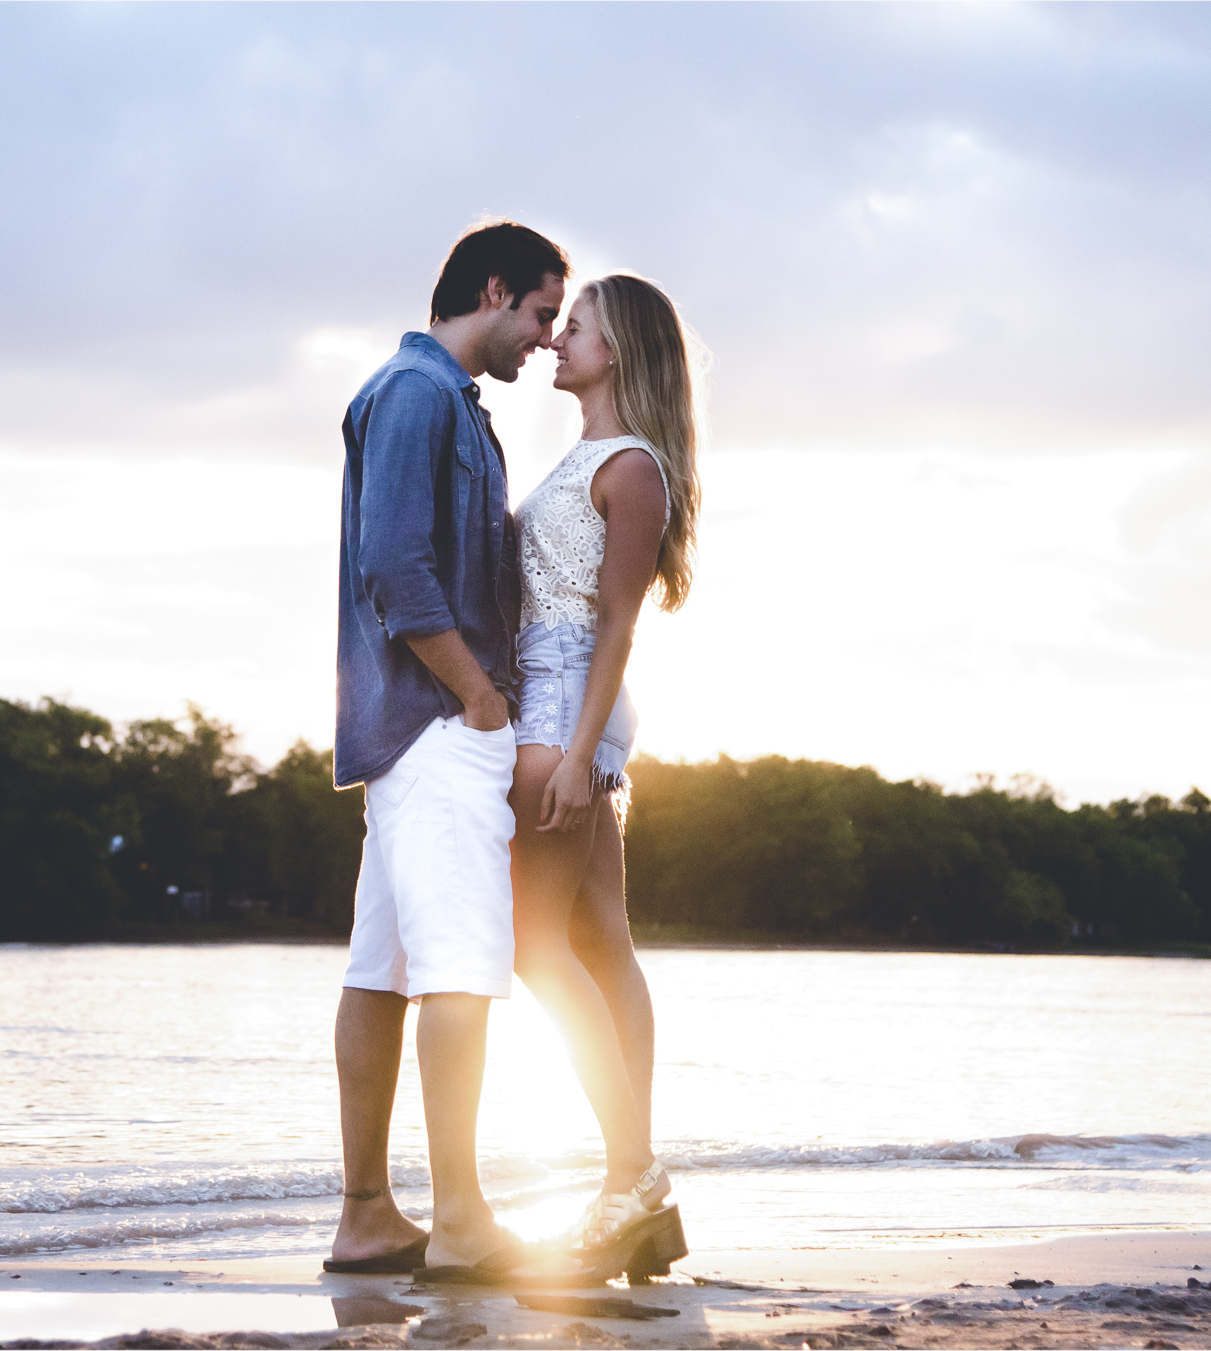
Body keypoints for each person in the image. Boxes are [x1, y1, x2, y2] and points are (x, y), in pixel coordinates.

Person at [326, 221, 570, 1283]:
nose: (543, 342)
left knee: (378, 970)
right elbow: (392, 562)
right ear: (491, 288)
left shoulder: (441, 403)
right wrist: (476, 696)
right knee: (461, 967)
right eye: (538, 315)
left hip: (406, 731)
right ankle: (462, 1219)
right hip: (435, 726)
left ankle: (369, 1217)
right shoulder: (419, 395)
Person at [508, 274, 702, 1280]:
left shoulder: (629, 468)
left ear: (615, 348)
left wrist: (577, 755)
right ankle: (639, 1186)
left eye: (571, 327)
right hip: (562, 704)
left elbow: (617, 622)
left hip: (561, 708)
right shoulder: (588, 456)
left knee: (535, 947)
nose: (554, 340)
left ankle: (629, 1174)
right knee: (603, 942)